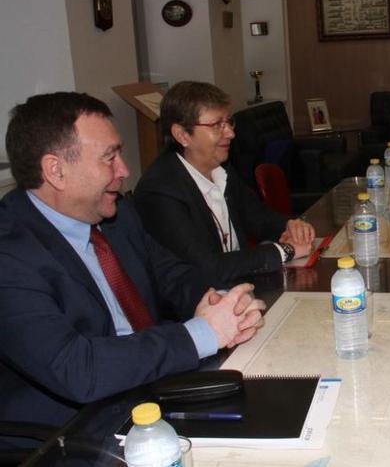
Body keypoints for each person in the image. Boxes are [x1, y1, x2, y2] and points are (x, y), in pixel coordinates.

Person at [0, 92, 265, 432]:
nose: (124, 170)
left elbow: (171, 275)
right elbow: (77, 369)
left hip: (153, 386)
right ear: (56, 171)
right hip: (76, 431)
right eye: (108, 158)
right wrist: (201, 333)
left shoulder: (116, 213)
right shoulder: (10, 255)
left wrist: (224, 304)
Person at [134, 81, 315, 283]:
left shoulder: (221, 168)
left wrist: (290, 226)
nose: (230, 133)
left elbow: (259, 218)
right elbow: (208, 267)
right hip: (199, 306)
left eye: (229, 122)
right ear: (182, 135)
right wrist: (285, 250)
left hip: (240, 288)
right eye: (217, 125)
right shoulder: (160, 191)